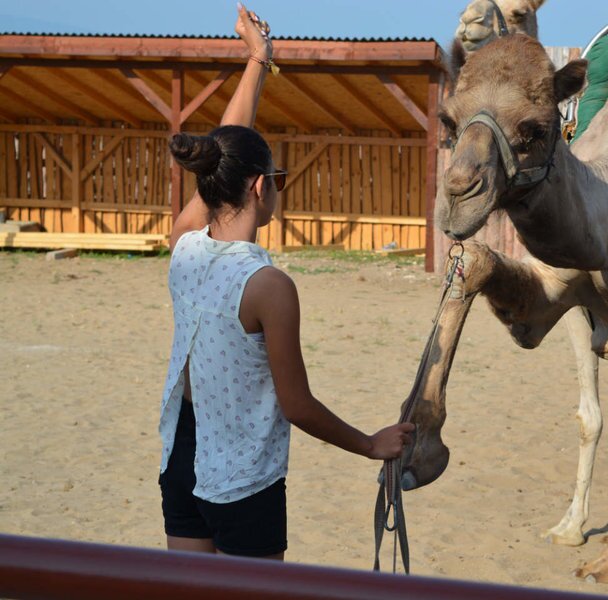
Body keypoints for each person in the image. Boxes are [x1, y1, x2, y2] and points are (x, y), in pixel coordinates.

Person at [158, 4, 414, 560]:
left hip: (181, 458)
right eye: (275, 179)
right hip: (242, 482)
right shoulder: (268, 285)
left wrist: (256, 60)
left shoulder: (183, 250)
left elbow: (226, 149)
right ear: (258, 187)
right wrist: (370, 444)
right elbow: (297, 405)